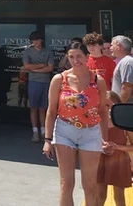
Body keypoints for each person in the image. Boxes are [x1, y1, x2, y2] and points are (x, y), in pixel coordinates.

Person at [43, 39, 109, 206]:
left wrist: (104, 139)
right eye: (71, 57)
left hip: (90, 131)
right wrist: (47, 140)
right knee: (66, 184)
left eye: (79, 56)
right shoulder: (59, 79)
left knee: (90, 185)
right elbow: (51, 111)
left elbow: (102, 111)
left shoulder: (97, 80)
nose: (75, 61)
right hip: (65, 130)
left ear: (87, 57)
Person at [97, 90, 131, 206]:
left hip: (119, 160)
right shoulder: (96, 122)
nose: (108, 109)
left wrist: (116, 147)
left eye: (111, 106)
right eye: (105, 105)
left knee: (119, 196)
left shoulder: (124, 123)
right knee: (100, 195)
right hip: (99, 159)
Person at [22, 31, 55, 142]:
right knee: (33, 107)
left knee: (43, 108)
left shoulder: (48, 52)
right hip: (33, 82)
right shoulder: (27, 52)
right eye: (33, 40)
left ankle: (43, 131)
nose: (36, 42)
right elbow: (26, 66)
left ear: (41, 40)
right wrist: (41, 65)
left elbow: (50, 68)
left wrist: (34, 68)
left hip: (45, 82)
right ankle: (35, 131)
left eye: (37, 39)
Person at [111, 36, 133, 102]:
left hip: (126, 109)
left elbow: (127, 87)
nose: (110, 48)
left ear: (118, 46)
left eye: (112, 45)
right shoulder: (126, 61)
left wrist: (119, 106)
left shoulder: (127, 61)